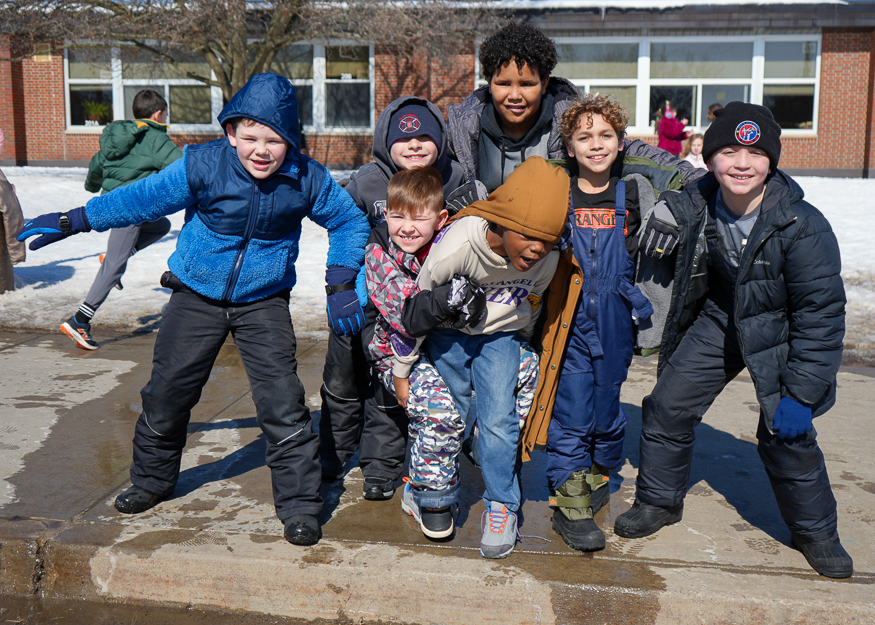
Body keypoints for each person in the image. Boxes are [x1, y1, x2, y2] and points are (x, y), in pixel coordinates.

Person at [17, 73, 370, 547]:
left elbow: (348, 220)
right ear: (231, 132)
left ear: (291, 141)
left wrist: (341, 280)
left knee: (283, 403)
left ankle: (300, 506)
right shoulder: (202, 164)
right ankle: (152, 480)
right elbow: (142, 198)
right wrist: (76, 219)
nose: (261, 150)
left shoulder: (307, 178)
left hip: (263, 301)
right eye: (250, 137)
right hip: (195, 295)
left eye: (274, 140)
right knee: (168, 392)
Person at [613, 101, 853, 579]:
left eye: (755, 153)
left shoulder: (802, 225)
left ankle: (816, 533)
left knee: (786, 434)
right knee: (667, 406)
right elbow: (645, 169)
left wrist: (802, 394)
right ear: (709, 158)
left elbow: (821, 317)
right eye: (728, 152)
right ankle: (659, 501)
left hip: (784, 330)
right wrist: (667, 208)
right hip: (722, 317)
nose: (742, 164)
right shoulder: (697, 202)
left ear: (772, 161)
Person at [405, 156, 569, 559]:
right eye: (528, 235)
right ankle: (423, 487)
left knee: (500, 420)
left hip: (500, 337)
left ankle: (502, 505)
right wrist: (403, 368)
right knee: (453, 416)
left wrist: (523, 345)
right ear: (502, 222)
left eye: (548, 240)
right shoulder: (459, 246)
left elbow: (532, 302)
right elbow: (418, 310)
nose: (537, 248)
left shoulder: (546, 259)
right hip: (448, 334)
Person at [523, 94, 654, 552]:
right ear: (570, 147)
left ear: (621, 143)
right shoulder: (558, 192)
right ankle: (570, 504)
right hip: (569, 318)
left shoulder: (633, 193)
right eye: (584, 137)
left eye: (605, 135)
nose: (596, 144)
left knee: (607, 410)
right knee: (571, 413)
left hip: (617, 320)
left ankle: (598, 472)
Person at [318, 96, 466, 503]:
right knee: (344, 378)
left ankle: (382, 465)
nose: (414, 145)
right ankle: (332, 452)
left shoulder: (455, 178)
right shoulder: (368, 181)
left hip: (419, 306)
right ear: (385, 142)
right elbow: (346, 230)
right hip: (364, 299)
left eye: (424, 137)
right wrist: (341, 287)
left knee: (395, 384)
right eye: (403, 138)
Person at [447, 21, 698, 193]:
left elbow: (636, 154)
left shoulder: (572, 120)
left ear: (544, 83)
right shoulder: (463, 130)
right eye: (503, 84)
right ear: (489, 82)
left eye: (527, 84)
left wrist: (701, 181)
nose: (515, 95)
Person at [61, 89, 181, 350]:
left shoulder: (116, 135)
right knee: (114, 266)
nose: (166, 119)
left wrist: (93, 185)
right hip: (130, 207)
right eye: (166, 114)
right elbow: (181, 169)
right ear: (157, 114)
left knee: (161, 225)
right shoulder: (156, 138)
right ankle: (80, 320)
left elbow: (98, 165)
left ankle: (117, 258)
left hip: (111, 205)